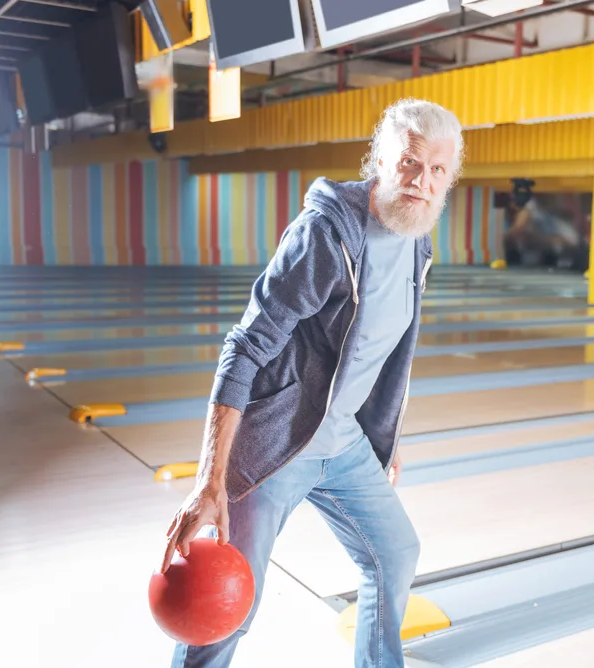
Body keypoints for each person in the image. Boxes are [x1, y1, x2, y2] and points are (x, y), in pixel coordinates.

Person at [160, 98, 464, 668]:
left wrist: (387, 437)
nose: (422, 182)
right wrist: (210, 479)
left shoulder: (418, 238)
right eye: (409, 163)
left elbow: (385, 348)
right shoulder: (326, 235)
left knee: (394, 554)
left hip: (343, 444)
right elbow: (244, 347)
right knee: (229, 604)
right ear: (382, 160)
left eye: (438, 171)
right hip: (277, 446)